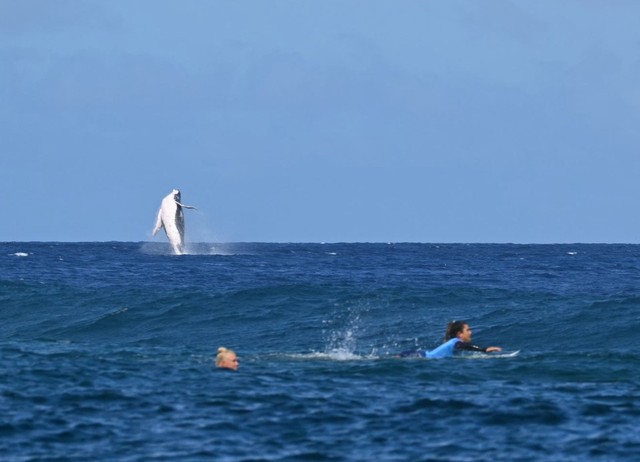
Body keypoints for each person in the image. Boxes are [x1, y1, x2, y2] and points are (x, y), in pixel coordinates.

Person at [399, 320, 502, 358]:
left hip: (420, 354)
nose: (471, 332)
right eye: (468, 330)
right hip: (418, 356)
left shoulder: (453, 342)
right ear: (460, 334)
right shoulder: (456, 342)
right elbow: (464, 346)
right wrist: (484, 350)